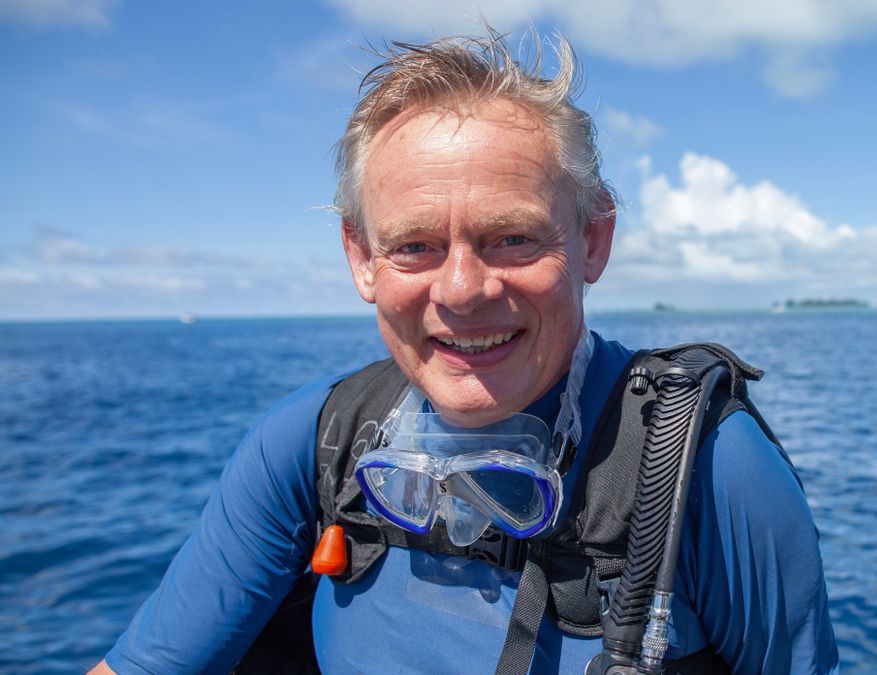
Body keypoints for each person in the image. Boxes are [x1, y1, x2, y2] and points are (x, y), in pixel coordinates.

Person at [92, 31, 838, 675]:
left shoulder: (705, 467)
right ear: (362, 259)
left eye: (511, 237)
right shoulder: (312, 444)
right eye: (414, 245)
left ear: (593, 239)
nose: (461, 289)